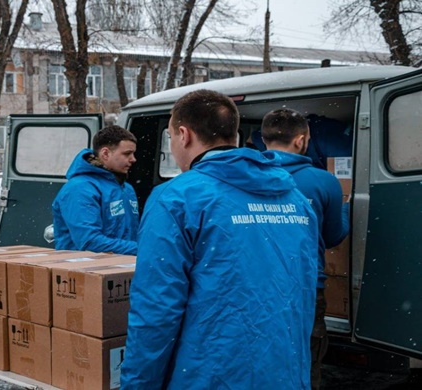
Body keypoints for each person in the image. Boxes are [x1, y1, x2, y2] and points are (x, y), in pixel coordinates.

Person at [121, 89, 319, 389]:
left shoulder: (177, 197)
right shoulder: (295, 198)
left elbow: (157, 309)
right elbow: (303, 289)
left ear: (184, 135)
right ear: (234, 134)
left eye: (171, 138)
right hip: (285, 371)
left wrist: (138, 384)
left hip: (211, 374)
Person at [262, 108, 350, 389]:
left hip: (254, 286)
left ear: (264, 140)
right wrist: (346, 210)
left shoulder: (242, 178)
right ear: (301, 140)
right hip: (306, 289)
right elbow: (334, 235)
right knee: (305, 361)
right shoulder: (323, 180)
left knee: (260, 359)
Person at [52, 125, 139, 255]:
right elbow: (89, 242)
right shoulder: (80, 189)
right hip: (86, 271)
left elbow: (133, 234)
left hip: (123, 267)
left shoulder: (126, 189)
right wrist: (142, 249)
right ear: (105, 154)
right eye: (127, 154)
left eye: (133, 153)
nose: (133, 159)